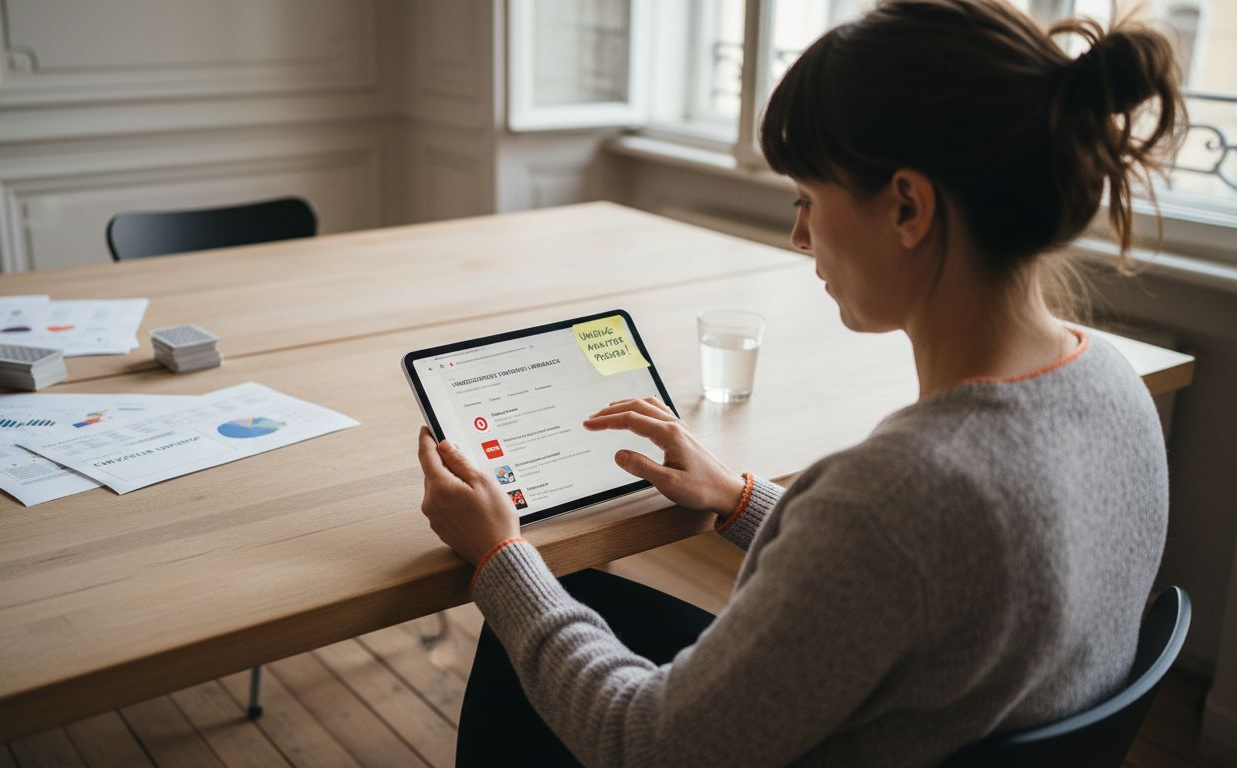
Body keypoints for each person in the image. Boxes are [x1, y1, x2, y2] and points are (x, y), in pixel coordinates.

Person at [415, 0, 1182, 764]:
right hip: (961, 719)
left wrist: (500, 558)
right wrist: (742, 500)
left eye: (809, 199)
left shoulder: (897, 494)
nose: (800, 236)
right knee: (592, 604)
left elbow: (639, 742)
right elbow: (924, 578)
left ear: (908, 207)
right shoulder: (1112, 384)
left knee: (528, 639)